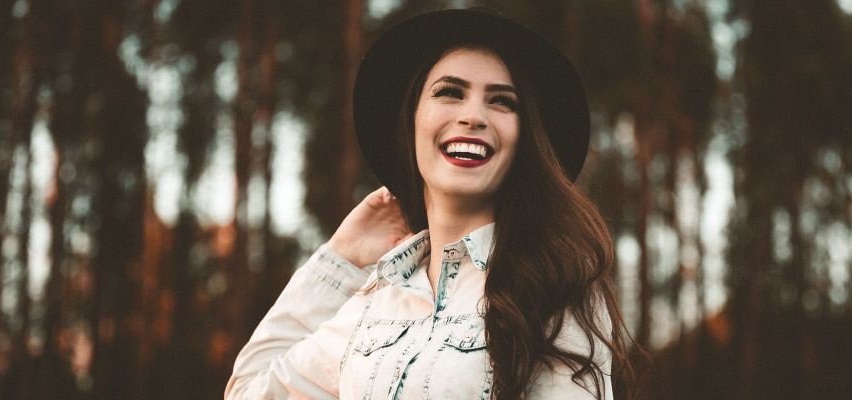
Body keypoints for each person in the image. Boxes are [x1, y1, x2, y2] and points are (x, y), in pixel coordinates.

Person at [225, 8, 638, 400]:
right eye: (450, 92)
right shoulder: (372, 304)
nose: (473, 116)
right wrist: (340, 260)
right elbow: (248, 391)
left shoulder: (555, 286)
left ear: (523, 141)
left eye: (501, 101)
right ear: (411, 121)